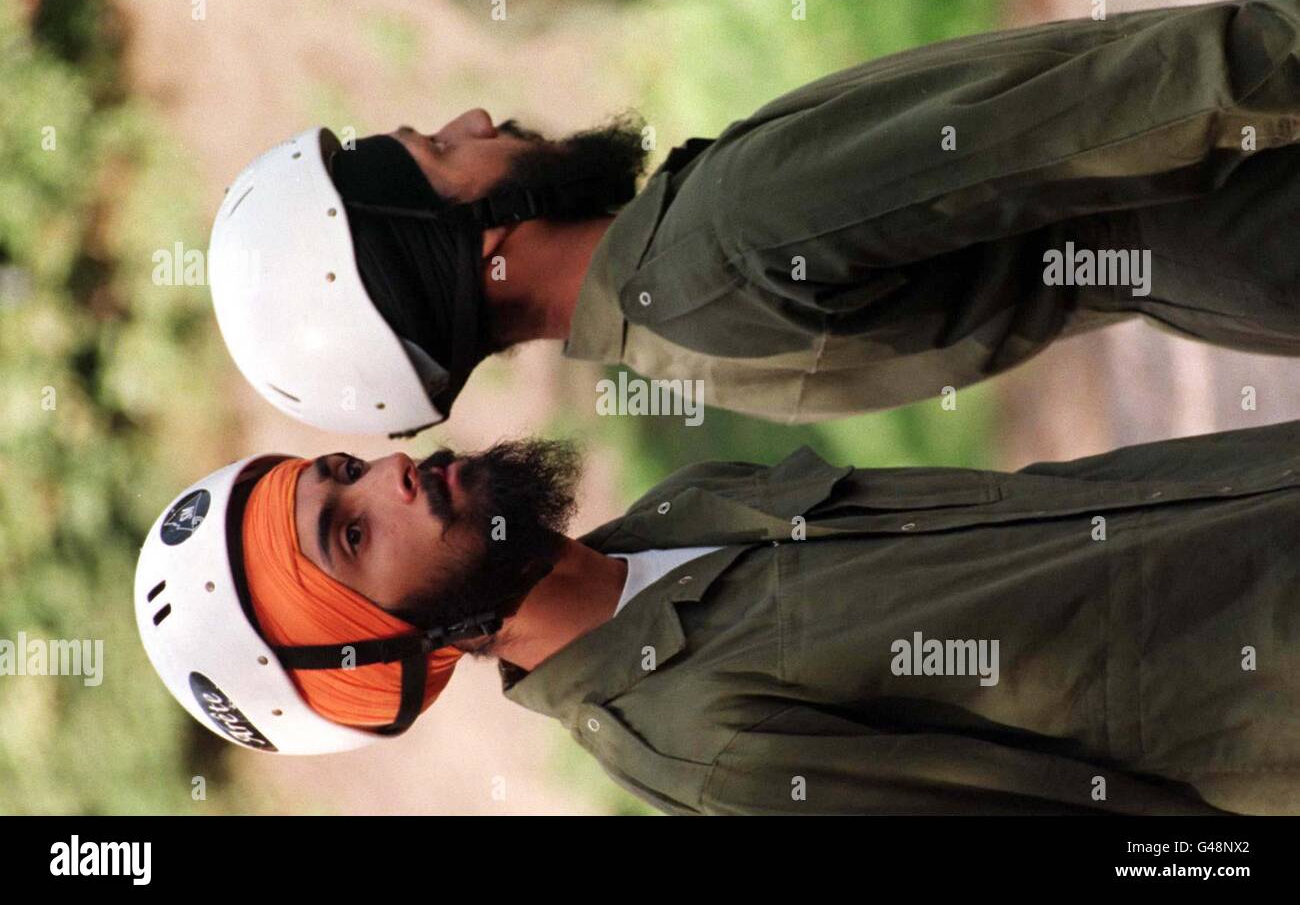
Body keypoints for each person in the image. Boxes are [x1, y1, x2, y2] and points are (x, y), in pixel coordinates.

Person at [208, 0, 1300, 434]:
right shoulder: (724, 237)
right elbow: (1103, 110)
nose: (478, 113)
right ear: (473, 248)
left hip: (1225, 272)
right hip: (1246, 195)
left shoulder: (680, 341)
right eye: (445, 150)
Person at [136, 421, 1300, 815]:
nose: (394, 475)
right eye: (352, 537)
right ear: (395, 650)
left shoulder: (676, 511)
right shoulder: (710, 743)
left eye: (341, 471)